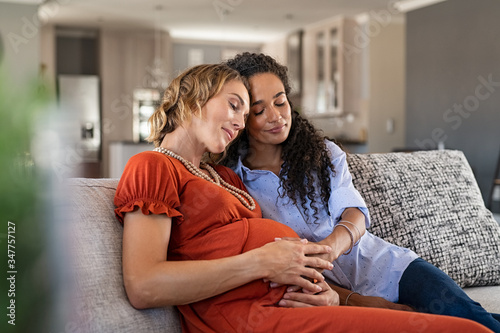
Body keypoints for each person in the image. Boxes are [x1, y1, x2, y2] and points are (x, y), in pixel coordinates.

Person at [114, 63, 492, 332]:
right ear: (192, 98)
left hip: (318, 289)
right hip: (254, 312)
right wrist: (261, 262)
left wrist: (332, 294)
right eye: (238, 107)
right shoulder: (153, 166)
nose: (240, 121)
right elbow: (144, 286)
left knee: (468, 321)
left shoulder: (223, 176)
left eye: (246, 113)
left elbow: (342, 220)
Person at [222, 52, 500, 332]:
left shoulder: (323, 154)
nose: (276, 116)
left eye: (280, 101)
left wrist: (330, 248)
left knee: (470, 318)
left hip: (391, 267)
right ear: (243, 117)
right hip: (330, 292)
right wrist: (356, 301)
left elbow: (354, 214)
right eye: (259, 110)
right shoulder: (235, 182)